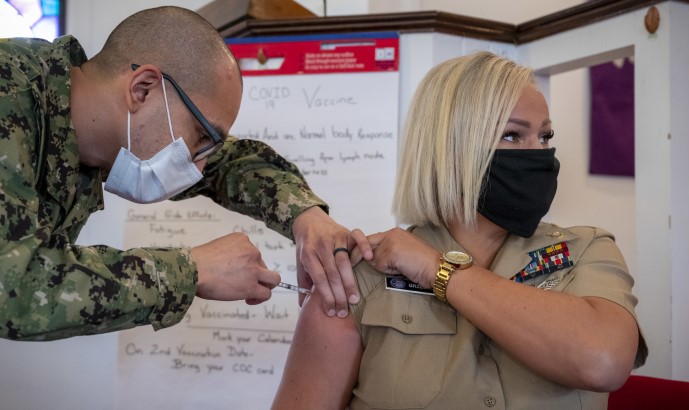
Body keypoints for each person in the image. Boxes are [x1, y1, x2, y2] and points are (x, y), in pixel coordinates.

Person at [272, 51, 648, 409]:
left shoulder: (585, 251)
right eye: (514, 136)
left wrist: (438, 271)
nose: (540, 153)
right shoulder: (362, 276)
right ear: (451, 149)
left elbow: (604, 361)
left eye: (545, 137)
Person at [0, 6, 369, 341]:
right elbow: (14, 287)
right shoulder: (8, 95)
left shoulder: (84, 123)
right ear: (142, 88)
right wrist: (192, 269)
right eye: (201, 138)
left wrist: (306, 217)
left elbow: (234, 162)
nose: (199, 168)